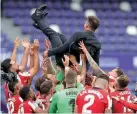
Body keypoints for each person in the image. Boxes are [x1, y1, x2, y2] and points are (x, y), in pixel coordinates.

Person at [31, 4, 101, 69]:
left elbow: (65, 48)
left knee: (54, 35)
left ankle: (38, 19)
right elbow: (96, 65)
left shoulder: (79, 35)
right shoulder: (97, 44)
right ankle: (41, 24)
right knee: (61, 36)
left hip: (66, 64)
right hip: (79, 68)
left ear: (86, 25)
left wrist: (49, 52)